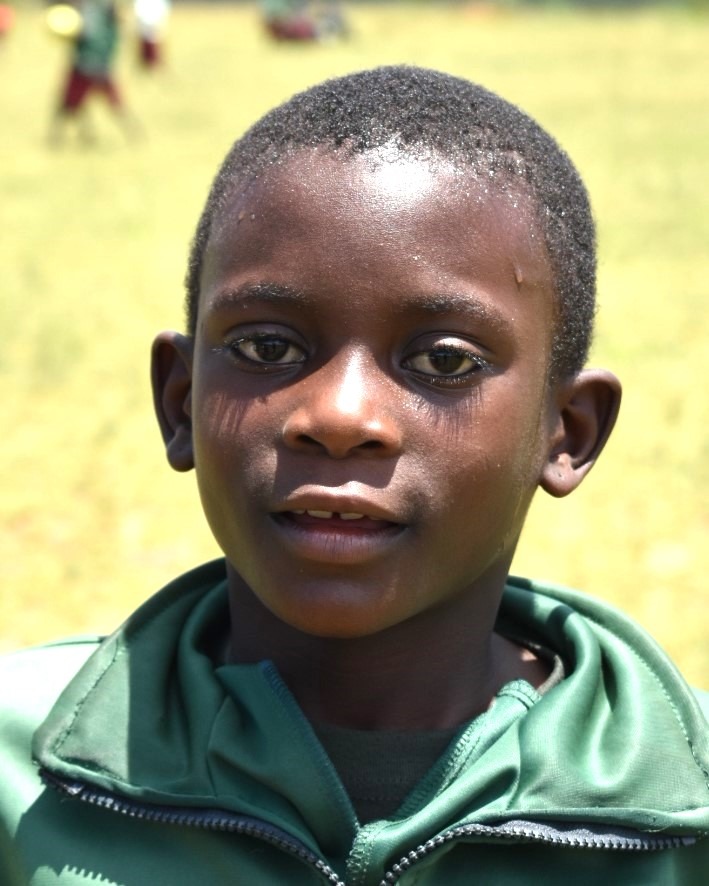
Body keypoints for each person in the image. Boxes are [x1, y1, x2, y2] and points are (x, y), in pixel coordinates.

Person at [1, 65, 707, 883]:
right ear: (180, 400)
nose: (340, 418)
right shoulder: (23, 774)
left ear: (568, 432)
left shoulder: (680, 822)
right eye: (269, 348)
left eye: (444, 360)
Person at [48, 0, 139, 144]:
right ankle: (76, 137)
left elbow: (87, 32)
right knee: (70, 104)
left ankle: (134, 135)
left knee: (114, 104)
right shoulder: (91, 9)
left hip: (93, 66)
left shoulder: (100, 11)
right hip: (88, 65)